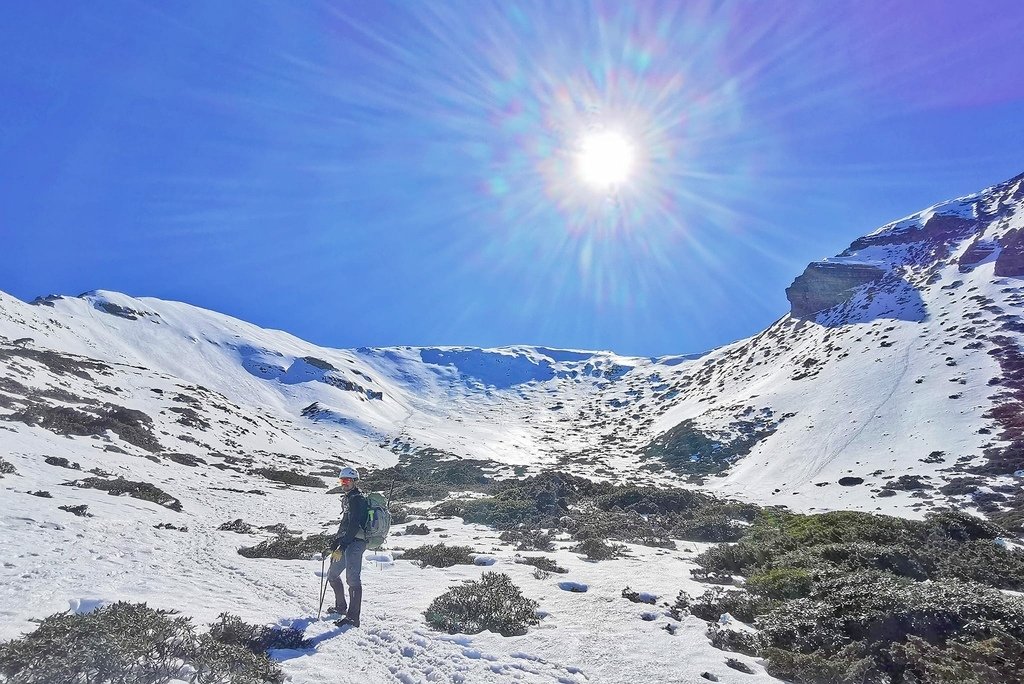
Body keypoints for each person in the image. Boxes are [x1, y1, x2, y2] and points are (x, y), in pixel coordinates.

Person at [326, 466, 369, 627]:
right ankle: (340, 607)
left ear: (354, 482)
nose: (344, 483)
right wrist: (335, 543)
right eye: (342, 480)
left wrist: (342, 547)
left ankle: (353, 618)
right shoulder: (348, 498)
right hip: (347, 542)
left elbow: (354, 525)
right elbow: (344, 524)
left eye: (348, 480)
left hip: (356, 543)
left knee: (353, 579)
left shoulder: (357, 499)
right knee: (332, 574)